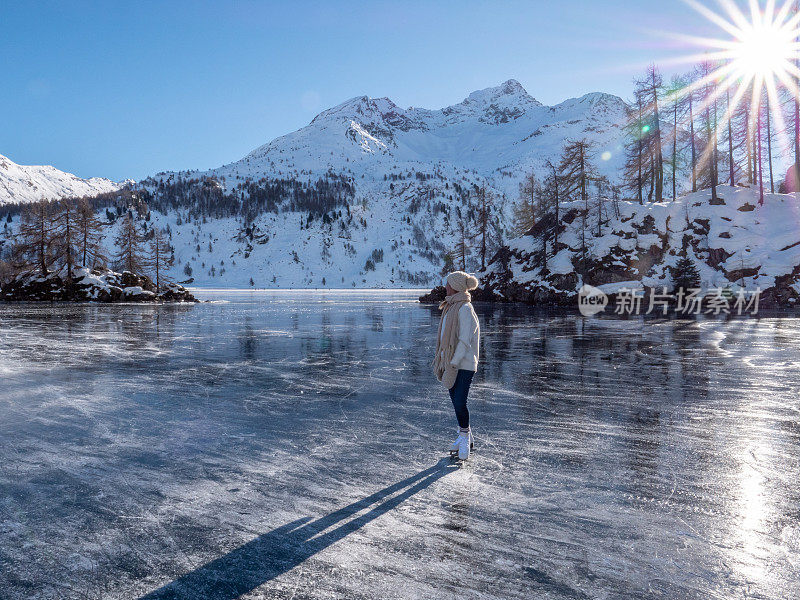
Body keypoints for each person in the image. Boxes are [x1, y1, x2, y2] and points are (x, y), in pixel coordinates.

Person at [433, 271, 481, 460]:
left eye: (448, 284)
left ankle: (463, 437)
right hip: (451, 362)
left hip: (464, 363)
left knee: (460, 401)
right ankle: (467, 437)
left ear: (456, 287)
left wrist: (453, 364)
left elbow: (464, 341)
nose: (446, 287)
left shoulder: (465, 309)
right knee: (456, 401)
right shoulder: (450, 307)